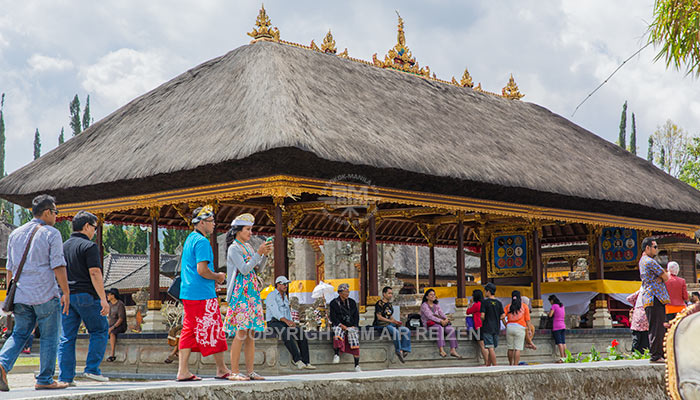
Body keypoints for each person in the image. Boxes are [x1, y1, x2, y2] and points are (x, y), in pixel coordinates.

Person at [0, 194, 70, 392]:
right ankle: (45, 378)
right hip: (45, 294)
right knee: (49, 336)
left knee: (20, 333)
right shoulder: (51, 233)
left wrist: (9, 295)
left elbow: (10, 269)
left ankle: (2, 364)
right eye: (55, 212)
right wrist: (65, 291)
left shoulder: (16, 234)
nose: (56, 216)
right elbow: (58, 265)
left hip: (21, 293)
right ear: (47, 212)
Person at [177, 205, 230, 381]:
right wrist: (218, 276)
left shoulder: (190, 239)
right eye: (211, 221)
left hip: (189, 292)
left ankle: (183, 370)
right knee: (214, 328)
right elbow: (202, 269)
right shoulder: (202, 242)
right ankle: (221, 369)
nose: (214, 224)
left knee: (189, 331)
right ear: (201, 223)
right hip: (202, 294)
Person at [58, 211, 110, 384]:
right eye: (95, 227)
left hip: (66, 296)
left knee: (67, 336)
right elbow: (95, 272)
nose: (95, 231)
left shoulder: (63, 246)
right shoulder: (89, 246)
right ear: (87, 226)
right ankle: (92, 369)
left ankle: (66, 376)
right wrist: (103, 298)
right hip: (86, 295)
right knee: (99, 330)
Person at [223, 213, 272, 381]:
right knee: (241, 332)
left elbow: (257, 268)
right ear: (237, 231)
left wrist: (264, 254)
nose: (250, 233)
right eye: (247, 229)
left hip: (251, 292)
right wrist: (258, 253)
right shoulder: (234, 248)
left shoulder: (249, 247)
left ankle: (250, 371)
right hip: (240, 292)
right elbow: (244, 269)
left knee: (251, 333)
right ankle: (235, 372)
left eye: (251, 229)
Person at [265, 275, 315, 370]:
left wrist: (291, 322)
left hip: (284, 321)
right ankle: (297, 360)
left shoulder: (285, 296)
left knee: (300, 332)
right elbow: (275, 311)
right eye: (284, 284)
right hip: (273, 322)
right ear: (278, 284)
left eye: (286, 284)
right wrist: (286, 321)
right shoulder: (271, 295)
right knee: (285, 333)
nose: (285, 286)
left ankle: (306, 361)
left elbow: (287, 311)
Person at [638, 237, 669, 363]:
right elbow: (666, 276)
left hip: (650, 297)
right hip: (654, 297)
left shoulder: (642, 261)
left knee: (656, 326)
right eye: (655, 247)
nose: (657, 250)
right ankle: (656, 355)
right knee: (657, 327)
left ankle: (657, 353)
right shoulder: (650, 261)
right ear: (647, 248)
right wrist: (661, 278)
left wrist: (660, 278)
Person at [329, 283, 361, 372]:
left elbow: (356, 315)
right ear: (339, 293)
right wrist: (341, 325)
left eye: (348, 292)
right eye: (345, 292)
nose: (347, 294)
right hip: (339, 325)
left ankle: (357, 365)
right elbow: (333, 317)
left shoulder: (352, 302)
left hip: (350, 325)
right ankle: (336, 354)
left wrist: (354, 325)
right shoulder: (334, 303)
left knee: (354, 338)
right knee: (337, 332)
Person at [373, 286, 411, 363]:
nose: (390, 295)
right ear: (384, 294)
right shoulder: (379, 303)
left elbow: (390, 316)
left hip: (390, 324)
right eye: (389, 293)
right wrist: (391, 321)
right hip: (381, 325)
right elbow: (379, 317)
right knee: (395, 332)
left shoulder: (389, 305)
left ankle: (405, 349)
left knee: (406, 330)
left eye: (391, 293)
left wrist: (396, 322)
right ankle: (398, 350)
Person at [420, 289, 460, 358]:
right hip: (429, 324)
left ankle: (453, 350)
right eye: (431, 295)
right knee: (439, 328)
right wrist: (441, 321)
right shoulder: (424, 305)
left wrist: (446, 319)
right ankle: (441, 349)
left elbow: (441, 313)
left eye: (434, 295)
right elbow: (430, 316)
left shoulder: (436, 305)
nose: (433, 296)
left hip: (440, 322)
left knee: (451, 329)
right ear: (427, 297)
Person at [480, 283, 505, 366]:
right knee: (493, 347)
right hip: (496, 327)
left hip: (487, 327)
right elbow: (503, 316)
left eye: (485, 291)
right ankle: (488, 364)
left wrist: (482, 319)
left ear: (488, 291)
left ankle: (495, 365)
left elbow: (482, 316)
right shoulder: (499, 303)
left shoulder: (484, 302)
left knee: (490, 347)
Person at [504, 290, 530, 366]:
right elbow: (527, 320)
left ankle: (510, 364)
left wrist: (506, 324)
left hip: (509, 327)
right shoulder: (524, 306)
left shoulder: (508, 306)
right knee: (517, 348)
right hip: (520, 327)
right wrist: (528, 330)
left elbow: (502, 316)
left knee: (510, 348)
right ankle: (515, 365)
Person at [466, 289, 488, 365]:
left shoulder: (476, 304)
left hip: (478, 325)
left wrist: (470, 303)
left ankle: (486, 362)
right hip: (486, 326)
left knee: (482, 345)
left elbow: (468, 311)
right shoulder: (485, 303)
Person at [106, 288, 127, 362]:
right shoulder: (109, 305)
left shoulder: (120, 304)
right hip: (111, 325)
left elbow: (121, 319)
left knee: (112, 333)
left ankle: (112, 354)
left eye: (108, 294)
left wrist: (112, 327)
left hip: (119, 326)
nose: (107, 296)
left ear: (113, 295)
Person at [626, 288, 649, 354]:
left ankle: (634, 354)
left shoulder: (641, 291)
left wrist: (634, 303)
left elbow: (629, 298)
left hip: (637, 321)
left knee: (636, 340)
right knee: (645, 340)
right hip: (646, 320)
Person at [548, 294, 566, 362]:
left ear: (552, 300)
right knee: (563, 342)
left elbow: (550, 315)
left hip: (557, 326)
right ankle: (566, 356)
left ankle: (562, 358)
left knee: (559, 342)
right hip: (563, 325)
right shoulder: (562, 306)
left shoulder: (554, 306)